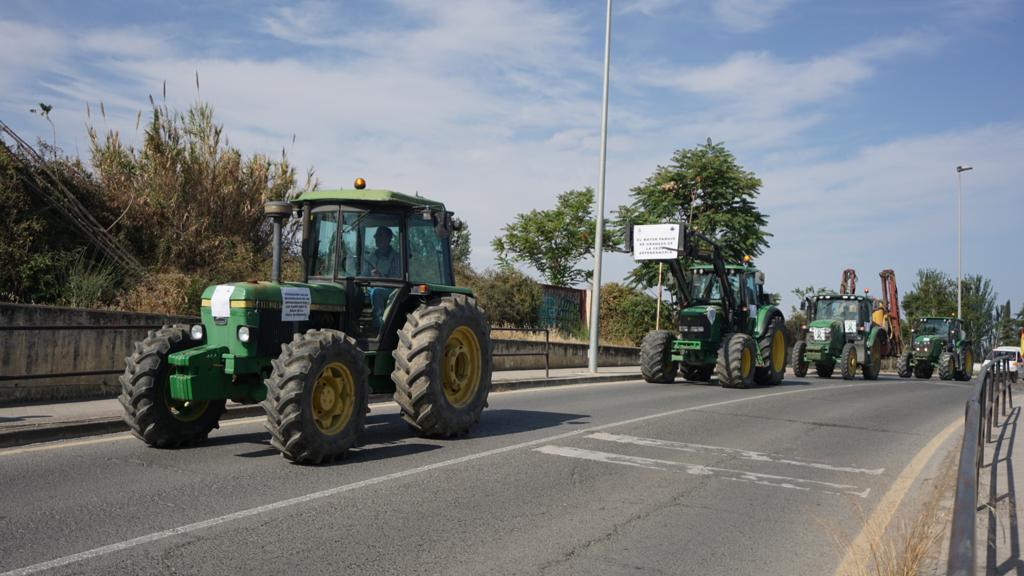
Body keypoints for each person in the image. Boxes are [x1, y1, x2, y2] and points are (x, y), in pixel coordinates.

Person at [363, 226, 400, 328]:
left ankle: (378, 326)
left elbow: (397, 278)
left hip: (390, 290)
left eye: (379, 236)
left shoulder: (395, 257)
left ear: (388, 239)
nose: (376, 238)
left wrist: (380, 276)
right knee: (354, 290)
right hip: (371, 288)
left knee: (377, 292)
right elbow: (364, 274)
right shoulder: (372, 256)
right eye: (376, 236)